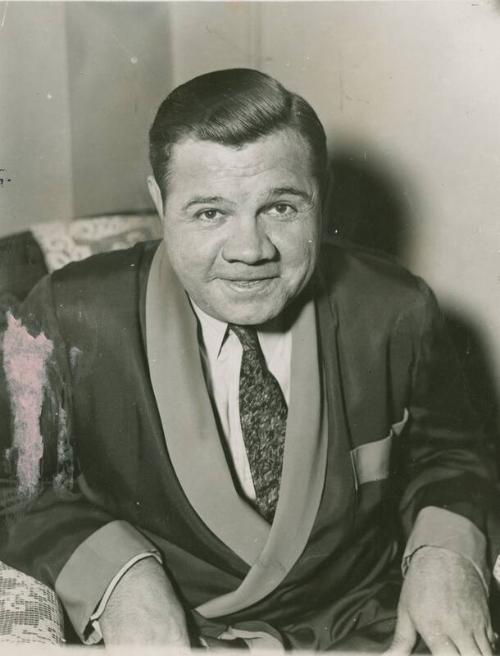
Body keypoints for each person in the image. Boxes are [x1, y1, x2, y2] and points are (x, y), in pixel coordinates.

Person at [0, 68, 497, 653]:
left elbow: (451, 452)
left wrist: (444, 552)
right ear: (160, 203)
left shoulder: (394, 308)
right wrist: (119, 577)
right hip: (173, 633)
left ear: (321, 196)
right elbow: (15, 483)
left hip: (366, 626)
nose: (250, 250)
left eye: (281, 208)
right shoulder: (67, 314)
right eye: (210, 213)